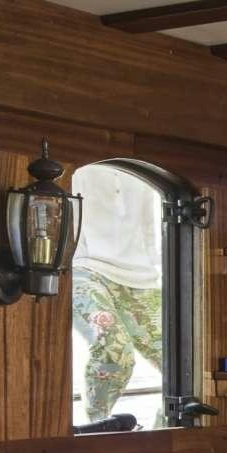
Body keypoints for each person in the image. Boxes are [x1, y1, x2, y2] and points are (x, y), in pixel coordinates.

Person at [71, 165, 164, 425]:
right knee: (114, 348)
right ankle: (97, 427)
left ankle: (164, 433)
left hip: (140, 276)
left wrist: (157, 270)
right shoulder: (81, 167)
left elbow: (147, 224)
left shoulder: (143, 165)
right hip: (86, 268)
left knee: (182, 361)